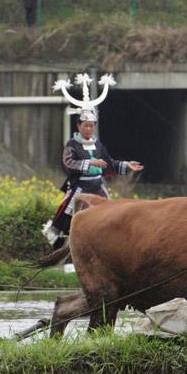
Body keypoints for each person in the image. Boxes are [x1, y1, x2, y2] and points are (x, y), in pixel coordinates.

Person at [43, 73, 143, 247]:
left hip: (98, 187)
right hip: (80, 189)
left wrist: (127, 165)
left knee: (106, 218)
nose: (89, 129)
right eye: (86, 125)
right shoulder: (72, 144)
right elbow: (69, 164)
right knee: (69, 222)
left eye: (92, 125)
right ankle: (66, 253)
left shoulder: (97, 144)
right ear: (79, 126)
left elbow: (108, 163)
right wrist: (90, 163)